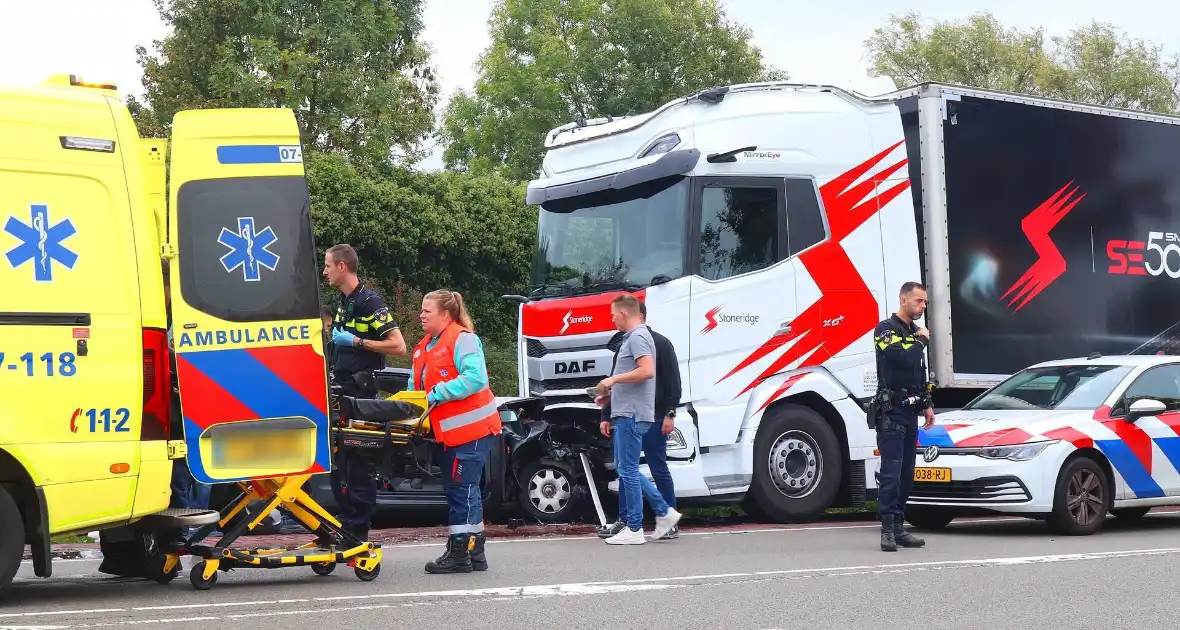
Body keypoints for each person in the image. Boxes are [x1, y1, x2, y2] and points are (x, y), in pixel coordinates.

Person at [409, 289, 502, 574]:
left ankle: (460, 552)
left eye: (427, 310)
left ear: (446, 314)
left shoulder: (463, 340)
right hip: (452, 435)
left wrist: (439, 392)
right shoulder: (424, 347)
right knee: (466, 491)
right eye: (422, 310)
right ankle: (474, 552)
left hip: (472, 432)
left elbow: (475, 378)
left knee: (460, 492)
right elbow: (416, 390)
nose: (421, 315)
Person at [322, 243, 407, 541]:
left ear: (342, 267)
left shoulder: (370, 302)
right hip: (343, 393)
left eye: (328, 265)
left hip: (363, 397)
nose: (325, 271)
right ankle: (346, 524)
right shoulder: (344, 302)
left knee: (359, 464)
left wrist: (357, 342)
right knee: (340, 464)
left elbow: (398, 346)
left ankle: (358, 529)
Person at [595, 294, 682, 545]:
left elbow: (664, 380)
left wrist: (670, 414)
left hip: (648, 416)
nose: (611, 319)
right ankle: (645, 518)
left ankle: (645, 522)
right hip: (631, 412)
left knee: (648, 468)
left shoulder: (648, 341)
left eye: (613, 314)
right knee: (627, 470)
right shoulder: (626, 342)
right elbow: (621, 377)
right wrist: (606, 409)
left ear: (628, 313)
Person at [872, 281, 936, 552]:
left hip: (910, 411)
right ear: (903, 300)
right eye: (919, 301)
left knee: (907, 473)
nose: (923, 306)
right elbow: (901, 360)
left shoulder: (913, 331)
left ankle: (899, 527)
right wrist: (921, 340)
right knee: (892, 471)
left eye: (925, 302)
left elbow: (917, 373)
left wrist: (927, 403)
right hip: (891, 410)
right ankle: (886, 529)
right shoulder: (885, 330)